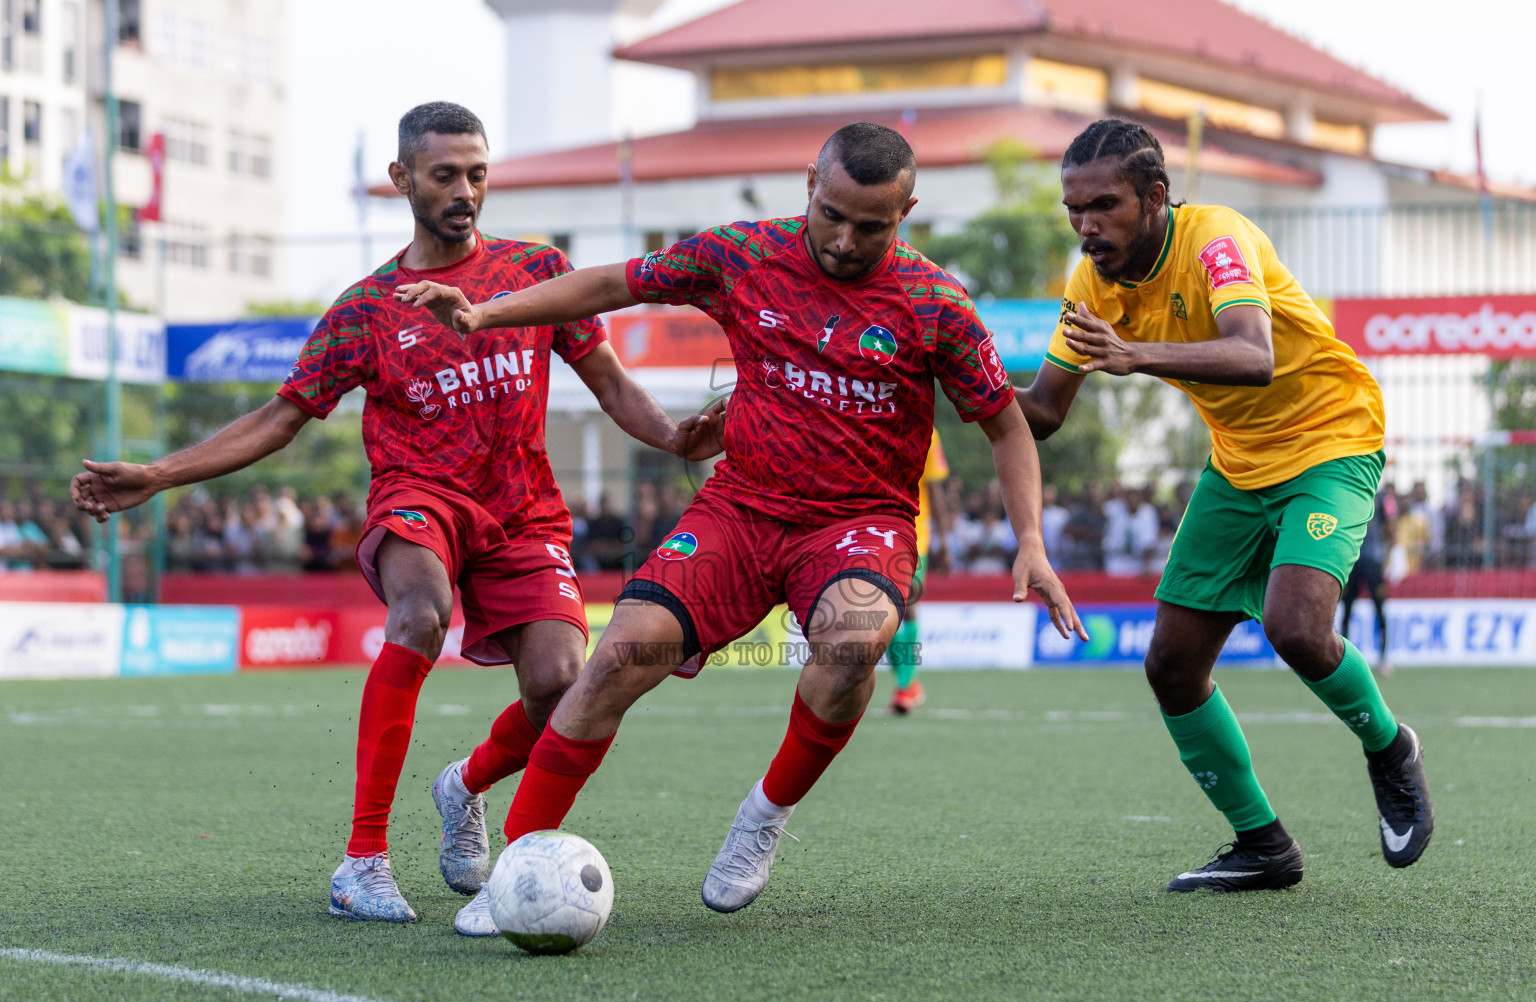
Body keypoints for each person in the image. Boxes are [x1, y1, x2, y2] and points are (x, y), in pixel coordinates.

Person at [399, 121, 1084, 926]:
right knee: (617, 661)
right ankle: (517, 874)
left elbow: (1006, 425)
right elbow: (613, 283)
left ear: (908, 212)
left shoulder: (937, 304)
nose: (844, 239)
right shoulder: (743, 255)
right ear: (808, 186)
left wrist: (1030, 541)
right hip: (741, 510)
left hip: (856, 526)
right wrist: (485, 315)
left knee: (853, 643)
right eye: (831, 214)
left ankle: (762, 818)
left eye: (872, 225)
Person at [71, 102, 722, 929]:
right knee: (420, 616)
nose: (464, 190)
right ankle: (363, 863)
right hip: (419, 501)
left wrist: (672, 436)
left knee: (561, 684)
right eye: (445, 174)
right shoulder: (366, 309)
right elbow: (279, 420)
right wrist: (159, 474)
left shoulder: (536, 271)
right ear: (402, 179)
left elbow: (612, 385)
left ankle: (466, 786)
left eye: (477, 173)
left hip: (524, 517)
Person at [1017, 118, 1432, 892]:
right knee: (1172, 666)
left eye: (1103, 205)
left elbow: (1253, 353)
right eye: (1073, 209)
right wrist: (940, 380)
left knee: (1296, 628)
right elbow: (1042, 411)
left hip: (1330, 442)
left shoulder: (1216, 239)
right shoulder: (1090, 283)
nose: (1086, 225)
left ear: (1156, 197)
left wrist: (1134, 354)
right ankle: (1263, 846)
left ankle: (1389, 746)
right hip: (1238, 467)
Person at [887, 428, 950, 713]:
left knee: (906, 606)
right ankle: (908, 683)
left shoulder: (927, 432)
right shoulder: (865, 414)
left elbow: (935, 487)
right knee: (881, 615)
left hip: (915, 536)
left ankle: (904, 686)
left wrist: (944, 541)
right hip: (871, 532)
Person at [1341, 484, 1396, 672]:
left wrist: (1391, 552)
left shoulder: (1382, 498)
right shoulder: (1349, 493)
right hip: (1352, 560)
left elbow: (1390, 527)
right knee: (1346, 607)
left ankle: (1383, 658)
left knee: (1379, 608)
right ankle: (1341, 658)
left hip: (1373, 561)